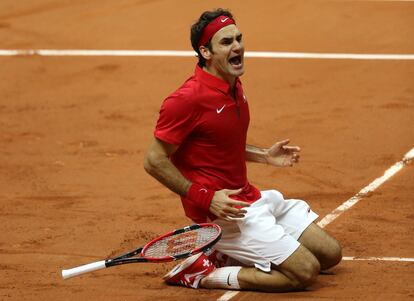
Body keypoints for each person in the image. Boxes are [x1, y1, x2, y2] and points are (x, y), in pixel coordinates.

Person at [144, 8, 342, 292]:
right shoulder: (186, 100)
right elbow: (153, 161)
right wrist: (207, 199)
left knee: (330, 255)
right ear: (206, 51)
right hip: (225, 215)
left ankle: (225, 254)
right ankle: (201, 275)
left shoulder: (232, 84)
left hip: (251, 197)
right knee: (305, 272)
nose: (237, 46)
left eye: (238, 38)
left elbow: (219, 143)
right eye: (226, 42)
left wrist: (263, 155)